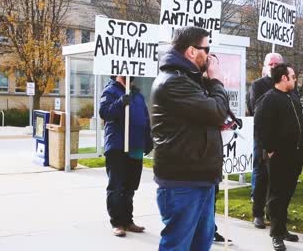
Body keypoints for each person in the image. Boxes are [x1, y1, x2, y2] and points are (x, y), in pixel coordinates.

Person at [150, 26, 230, 251]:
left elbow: (209, 116)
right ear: (192, 52)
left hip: (199, 177)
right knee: (178, 245)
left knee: (200, 244)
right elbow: (216, 111)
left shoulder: (187, 79)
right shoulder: (174, 82)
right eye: (207, 48)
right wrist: (216, 81)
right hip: (182, 182)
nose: (210, 55)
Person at [254, 63, 303, 251]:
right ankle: (276, 234)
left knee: (287, 194)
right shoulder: (268, 99)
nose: (295, 78)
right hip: (278, 156)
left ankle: (282, 229)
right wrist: (268, 149)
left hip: (295, 154)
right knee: (276, 195)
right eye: (293, 75)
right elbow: (260, 127)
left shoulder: (292, 96)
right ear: (284, 78)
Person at [99, 75, 153, 237]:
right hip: (118, 146)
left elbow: (145, 118)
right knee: (116, 186)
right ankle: (117, 223)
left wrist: (147, 139)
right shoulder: (110, 91)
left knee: (130, 186)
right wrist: (120, 102)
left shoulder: (138, 95)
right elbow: (104, 112)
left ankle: (128, 221)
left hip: (135, 146)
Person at [248, 53, 284, 229]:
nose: (273, 66)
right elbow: (257, 110)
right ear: (264, 65)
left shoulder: (287, 85)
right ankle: (258, 213)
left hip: (282, 140)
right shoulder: (257, 85)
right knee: (261, 176)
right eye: (270, 63)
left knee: (278, 178)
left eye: (276, 63)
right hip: (262, 139)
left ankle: (274, 212)